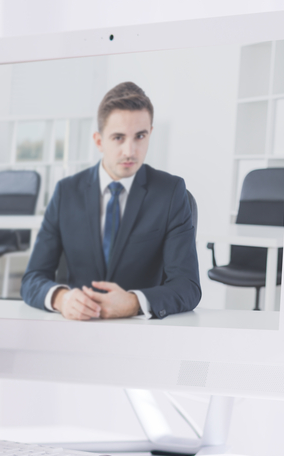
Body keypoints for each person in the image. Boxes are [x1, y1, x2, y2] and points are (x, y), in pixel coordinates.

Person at [20, 81, 200, 320]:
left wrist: (134, 302)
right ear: (98, 141)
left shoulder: (170, 192)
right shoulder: (67, 192)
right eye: (118, 138)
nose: (130, 150)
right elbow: (32, 278)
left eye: (140, 136)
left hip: (144, 330)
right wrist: (61, 298)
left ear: (150, 134)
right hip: (79, 327)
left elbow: (188, 286)